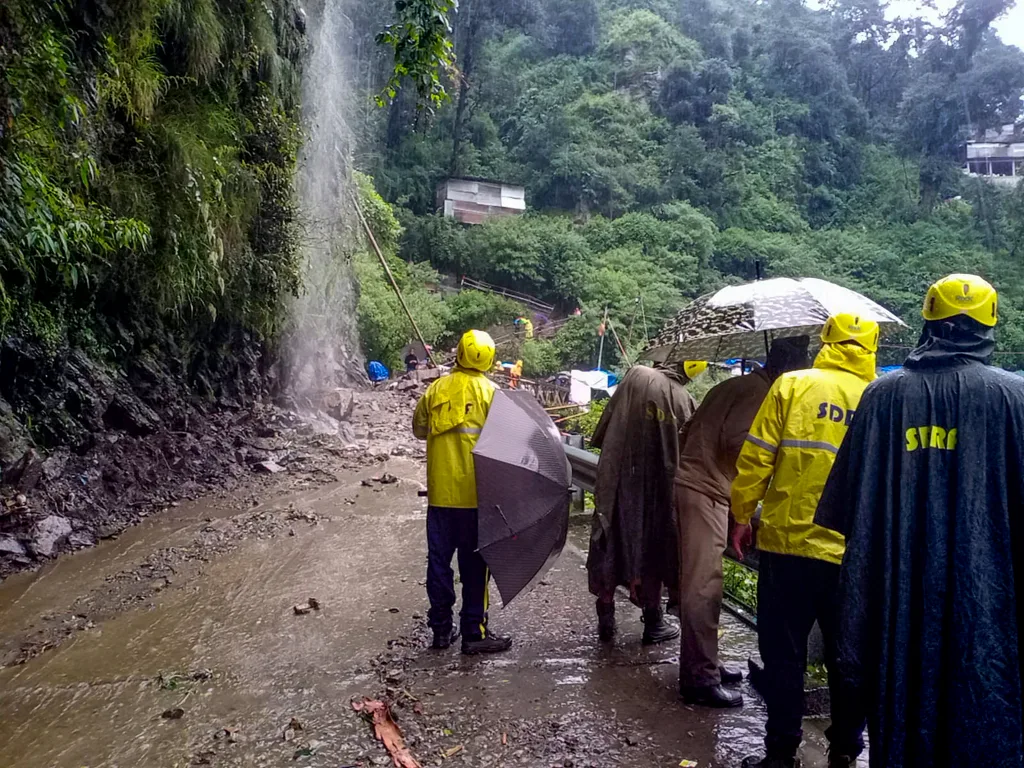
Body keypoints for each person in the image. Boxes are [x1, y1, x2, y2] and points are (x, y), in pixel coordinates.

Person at [816, 275, 1024, 768]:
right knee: (987, 708)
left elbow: (848, 511)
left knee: (901, 713)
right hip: (989, 604)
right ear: (989, 325)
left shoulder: (883, 398)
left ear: (928, 320)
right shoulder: (1015, 399)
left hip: (896, 601)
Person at [731, 314, 877, 768]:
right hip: (852, 557)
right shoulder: (880, 398)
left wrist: (740, 516)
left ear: (825, 341)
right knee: (849, 659)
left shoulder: (792, 385)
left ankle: (780, 754)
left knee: (783, 654)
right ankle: (845, 752)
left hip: (787, 544)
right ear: (872, 347)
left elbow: (756, 457)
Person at [675, 338, 810, 709]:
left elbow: (687, 429)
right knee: (704, 587)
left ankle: (707, 662)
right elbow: (740, 443)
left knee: (701, 582)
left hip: (700, 486)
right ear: (792, 366)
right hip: (707, 491)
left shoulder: (736, 386)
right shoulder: (758, 393)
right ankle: (699, 679)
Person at [413, 329, 512, 655]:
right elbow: (509, 445)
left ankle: (441, 630)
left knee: (439, 563)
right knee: (474, 567)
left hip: (441, 496)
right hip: (476, 498)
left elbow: (418, 429)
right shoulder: (494, 394)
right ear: (489, 360)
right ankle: (474, 631)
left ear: (458, 352)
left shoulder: (435, 390)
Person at [587, 362, 698, 645]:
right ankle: (653, 620)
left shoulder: (636, 374)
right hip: (660, 492)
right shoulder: (686, 402)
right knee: (655, 548)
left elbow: (605, 427)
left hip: (619, 478)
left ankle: (606, 613)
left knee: (609, 538)